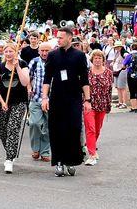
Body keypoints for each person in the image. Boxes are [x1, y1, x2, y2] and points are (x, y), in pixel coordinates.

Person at [42, 27, 91, 177]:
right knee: (56, 130)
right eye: (57, 38)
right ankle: (58, 162)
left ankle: (71, 161)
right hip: (56, 97)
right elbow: (47, 78)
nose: (58, 40)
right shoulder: (53, 55)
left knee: (74, 129)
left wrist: (87, 100)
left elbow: (84, 79)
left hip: (74, 98)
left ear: (70, 38)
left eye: (61, 38)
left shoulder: (79, 56)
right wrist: (45, 97)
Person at [0, 42, 30, 174]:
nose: (8, 54)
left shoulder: (22, 64)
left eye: (10, 51)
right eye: (6, 52)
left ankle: (9, 159)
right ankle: (10, 152)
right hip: (2, 103)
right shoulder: (0, 68)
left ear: (15, 52)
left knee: (13, 128)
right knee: (4, 131)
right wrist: (2, 102)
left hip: (19, 102)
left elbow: (25, 82)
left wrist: (17, 67)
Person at [84, 50, 113, 166]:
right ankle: (91, 154)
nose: (97, 60)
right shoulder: (87, 72)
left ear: (103, 59)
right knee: (90, 128)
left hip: (102, 103)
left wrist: (109, 104)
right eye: (95, 58)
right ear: (92, 60)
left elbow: (110, 89)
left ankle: (90, 145)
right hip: (89, 103)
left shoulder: (108, 73)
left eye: (99, 58)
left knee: (97, 128)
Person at [28, 42, 52, 162]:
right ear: (38, 51)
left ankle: (45, 151)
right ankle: (35, 148)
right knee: (34, 123)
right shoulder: (34, 62)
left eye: (47, 51)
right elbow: (28, 77)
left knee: (48, 126)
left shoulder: (55, 61)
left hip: (51, 99)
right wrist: (28, 88)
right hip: (36, 98)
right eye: (42, 50)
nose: (44, 53)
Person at [112, 40, 128, 109]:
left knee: (122, 87)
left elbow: (128, 56)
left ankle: (124, 103)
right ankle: (120, 102)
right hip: (117, 71)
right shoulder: (117, 53)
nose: (117, 48)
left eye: (118, 47)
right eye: (116, 47)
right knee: (118, 87)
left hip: (122, 70)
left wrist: (124, 64)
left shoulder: (123, 52)